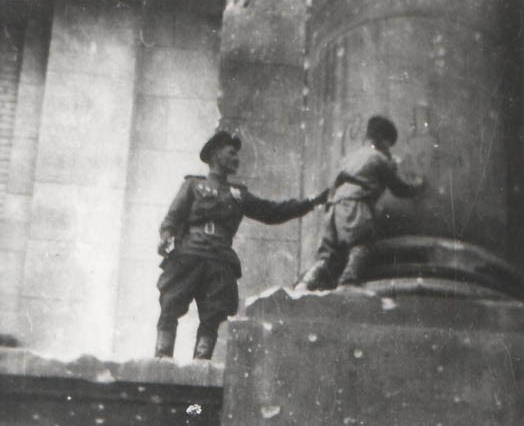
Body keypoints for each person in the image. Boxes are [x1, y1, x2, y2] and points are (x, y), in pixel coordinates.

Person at [155, 130, 328, 360]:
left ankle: (201, 363)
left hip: (219, 259)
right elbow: (172, 219)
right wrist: (166, 237)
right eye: (231, 153)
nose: (237, 158)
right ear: (216, 155)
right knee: (170, 305)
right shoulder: (193, 185)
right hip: (189, 253)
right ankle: (162, 357)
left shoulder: (238, 194)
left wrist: (310, 203)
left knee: (213, 315)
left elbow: (272, 212)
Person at [297, 115, 424, 291]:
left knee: (327, 256)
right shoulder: (378, 158)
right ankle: (347, 284)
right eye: (389, 143)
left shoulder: (351, 157)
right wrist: (419, 185)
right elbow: (399, 188)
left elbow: (333, 184)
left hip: (333, 208)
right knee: (362, 246)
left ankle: (305, 284)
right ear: (383, 140)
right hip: (355, 205)